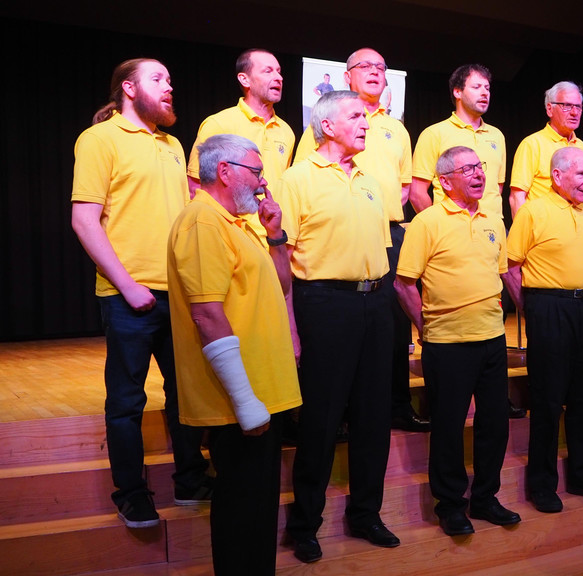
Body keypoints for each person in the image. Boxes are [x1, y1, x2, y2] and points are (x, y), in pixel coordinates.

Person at [71, 58, 210, 530]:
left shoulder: (172, 145)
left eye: (170, 79)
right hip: (128, 295)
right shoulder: (100, 139)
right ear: (129, 89)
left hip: (179, 292)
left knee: (186, 394)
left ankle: (190, 481)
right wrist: (128, 286)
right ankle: (131, 493)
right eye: (158, 79)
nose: (169, 86)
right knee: (127, 401)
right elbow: (84, 221)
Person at [167, 134, 302, 575]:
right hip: (239, 402)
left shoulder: (239, 223)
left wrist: (275, 234)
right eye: (256, 172)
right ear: (223, 171)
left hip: (264, 391)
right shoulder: (202, 222)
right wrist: (245, 401)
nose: (263, 183)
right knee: (243, 512)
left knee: (258, 511)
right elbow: (207, 314)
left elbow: (283, 284)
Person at [279, 90, 399, 563]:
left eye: (366, 117)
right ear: (327, 125)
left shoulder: (371, 180)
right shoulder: (297, 178)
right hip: (325, 303)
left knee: (374, 416)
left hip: (377, 302)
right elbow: (282, 257)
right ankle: (305, 525)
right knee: (322, 418)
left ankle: (366, 514)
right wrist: (291, 326)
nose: (366, 124)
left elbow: (381, 247)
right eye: (356, 116)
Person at [395, 146, 521, 536]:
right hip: (447, 344)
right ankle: (450, 506)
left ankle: (485, 498)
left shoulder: (493, 220)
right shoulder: (427, 222)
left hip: (492, 340)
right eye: (468, 169)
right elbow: (404, 284)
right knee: (448, 428)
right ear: (445, 181)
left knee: (494, 424)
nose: (479, 174)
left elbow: (500, 274)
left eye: (480, 167)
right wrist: (427, 327)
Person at [296, 47, 424, 433]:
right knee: (343, 331)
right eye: (365, 66)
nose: (375, 71)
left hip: (389, 232)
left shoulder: (397, 128)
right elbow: (308, 176)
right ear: (346, 76)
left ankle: (396, 405)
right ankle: (337, 413)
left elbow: (405, 186)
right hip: (341, 234)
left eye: (381, 67)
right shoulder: (324, 124)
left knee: (393, 326)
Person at [504, 147, 583, 513]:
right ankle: (542, 485)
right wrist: (531, 309)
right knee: (548, 399)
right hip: (549, 307)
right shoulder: (533, 211)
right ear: (557, 176)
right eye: (582, 174)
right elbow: (510, 266)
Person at [187, 49, 295, 208]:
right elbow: (196, 187)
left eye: (279, 72)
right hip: (230, 224)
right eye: (268, 71)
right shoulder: (219, 123)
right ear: (245, 80)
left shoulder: (286, 131)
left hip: (273, 223)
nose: (279, 78)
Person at [410, 64, 506, 219]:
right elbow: (417, 192)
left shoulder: (497, 135)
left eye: (487, 88)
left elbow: (496, 188)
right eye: (476, 87)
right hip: (450, 227)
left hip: (491, 226)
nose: (484, 93)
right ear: (457, 92)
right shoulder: (434, 133)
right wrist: (438, 224)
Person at [509, 80, 583, 217]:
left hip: (578, 226)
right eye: (567, 106)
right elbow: (517, 197)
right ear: (549, 109)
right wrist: (524, 228)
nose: (574, 112)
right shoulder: (532, 144)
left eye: (578, 106)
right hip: (543, 226)